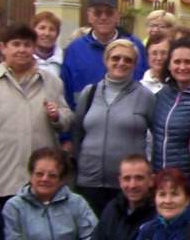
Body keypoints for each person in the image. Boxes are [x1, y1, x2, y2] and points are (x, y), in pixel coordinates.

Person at [0, 23, 72, 200]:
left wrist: (57, 116)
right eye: (16, 44)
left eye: (27, 45)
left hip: (41, 184)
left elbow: (67, 119)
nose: (22, 50)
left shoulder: (51, 81)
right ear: (3, 47)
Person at [67, 37, 156, 215]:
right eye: (116, 58)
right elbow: (77, 132)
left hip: (127, 185)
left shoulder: (146, 96)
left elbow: (157, 136)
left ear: (135, 65)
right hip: (89, 181)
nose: (121, 63)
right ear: (106, 60)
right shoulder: (89, 92)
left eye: (128, 59)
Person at [62, 0, 146, 108]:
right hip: (85, 120)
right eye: (97, 12)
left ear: (117, 15)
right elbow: (66, 90)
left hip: (127, 118)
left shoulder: (134, 46)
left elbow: (145, 83)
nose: (103, 17)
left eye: (109, 12)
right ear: (89, 16)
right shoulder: (75, 49)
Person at [149, 38, 190, 178]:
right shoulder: (161, 95)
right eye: (177, 62)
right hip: (158, 176)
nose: (182, 67)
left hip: (186, 179)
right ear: (169, 66)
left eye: (188, 62)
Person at [32, 11, 65, 79]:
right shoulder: (24, 59)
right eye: (42, 28)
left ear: (57, 34)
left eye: (52, 29)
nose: (47, 33)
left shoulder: (65, 60)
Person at [140, 30, 171, 95]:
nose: (159, 58)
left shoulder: (178, 85)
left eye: (164, 53)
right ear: (147, 55)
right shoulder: (139, 88)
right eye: (154, 53)